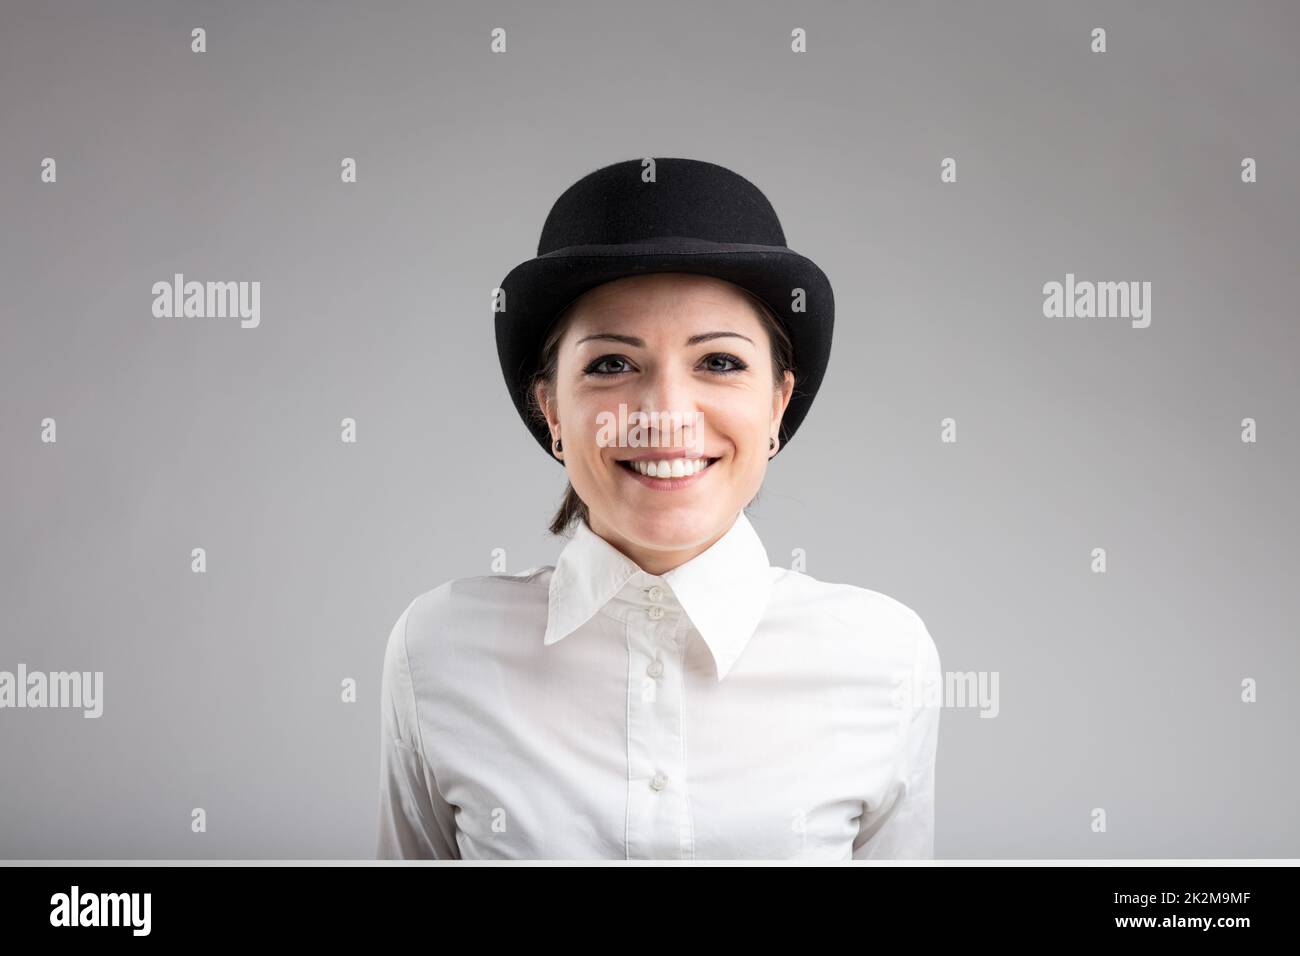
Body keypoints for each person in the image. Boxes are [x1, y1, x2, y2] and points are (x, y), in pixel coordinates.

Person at [376, 157, 942, 860]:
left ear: (777, 405)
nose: (666, 416)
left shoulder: (884, 656)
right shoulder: (438, 649)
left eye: (720, 362)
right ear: (552, 408)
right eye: (612, 364)